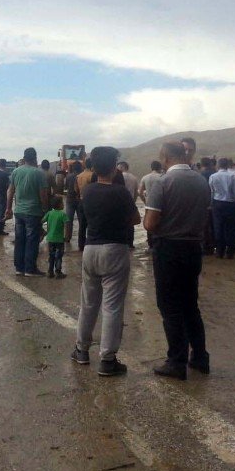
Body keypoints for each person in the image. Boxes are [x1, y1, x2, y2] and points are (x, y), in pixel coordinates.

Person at [144, 139, 212, 380]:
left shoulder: (163, 182)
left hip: (169, 249)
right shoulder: (202, 181)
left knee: (170, 306)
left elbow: (150, 224)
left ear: (165, 158)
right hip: (193, 247)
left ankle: (177, 361)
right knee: (190, 304)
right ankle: (200, 357)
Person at [70, 146, 140, 377]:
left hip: (90, 249)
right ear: (113, 167)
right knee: (112, 306)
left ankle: (81, 350)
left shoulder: (88, 191)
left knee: (88, 302)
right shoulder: (120, 193)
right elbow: (135, 219)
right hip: (114, 250)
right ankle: (107, 360)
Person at [5, 147, 49, 277]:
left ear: (24, 158)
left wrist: (8, 209)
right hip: (33, 212)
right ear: (35, 158)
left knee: (20, 239)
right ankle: (30, 269)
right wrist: (45, 209)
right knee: (32, 240)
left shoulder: (16, 172)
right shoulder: (39, 173)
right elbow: (43, 195)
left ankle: (19, 268)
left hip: (19, 211)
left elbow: (10, 191)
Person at [208, 158, 235, 259]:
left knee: (218, 227)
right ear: (228, 165)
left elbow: (212, 192)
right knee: (231, 228)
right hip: (231, 204)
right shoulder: (233, 176)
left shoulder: (213, 176)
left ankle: (220, 251)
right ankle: (230, 252)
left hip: (217, 203)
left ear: (218, 165)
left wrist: (211, 204)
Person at [43, 196, 68, 279]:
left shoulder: (49, 213)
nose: (63, 204)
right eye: (62, 203)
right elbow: (66, 226)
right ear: (59, 204)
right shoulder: (63, 214)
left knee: (51, 255)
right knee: (59, 256)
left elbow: (41, 221)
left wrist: (44, 231)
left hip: (50, 239)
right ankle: (58, 272)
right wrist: (66, 236)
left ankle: (50, 271)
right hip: (59, 240)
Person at [117, 161, 139, 248]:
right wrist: (133, 201)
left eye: (118, 167)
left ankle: (122, 242)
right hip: (131, 203)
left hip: (120, 203)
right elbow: (136, 192)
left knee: (121, 223)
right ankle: (130, 243)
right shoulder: (134, 177)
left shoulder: (119, 176)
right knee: (131, 224)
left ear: (122, 167)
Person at [75, 158, 95, 251]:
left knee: (82, 225)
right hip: (91, 202)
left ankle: (81, 245)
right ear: (92, 165)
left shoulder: (79, 176)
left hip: (81, 201)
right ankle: (91, 243)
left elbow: (76, 190)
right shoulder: (92, 175)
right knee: (92, 224)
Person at [63, 161, 82, 244]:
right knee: (81, 220)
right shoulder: (81, 176)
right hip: (80, 200)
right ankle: (81, 238)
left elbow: (65, 187)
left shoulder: (68, 176)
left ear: (73, 168)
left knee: (68, 220)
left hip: (70, 200)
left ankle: (67, 237)